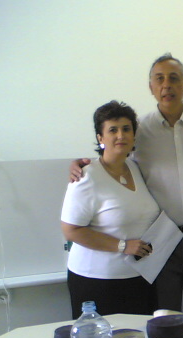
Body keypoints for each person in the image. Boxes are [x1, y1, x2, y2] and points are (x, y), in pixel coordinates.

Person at [71, 54, 183, 320]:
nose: (167, 85)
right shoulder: (137, 131)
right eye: (159, 79)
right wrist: (82, 164)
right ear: (151, 87)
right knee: (163, 318)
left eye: (174, 78)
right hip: (159, 238)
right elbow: (112, 156)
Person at [61, 101, 159, 318]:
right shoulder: (86, 176)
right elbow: (71, 230)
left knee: (139, 337)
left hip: (139, 277)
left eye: (126, 129)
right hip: (97, 281)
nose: (120, 135)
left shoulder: (135, 168)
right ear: (100, 138)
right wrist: (122, 246)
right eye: (112, 130)